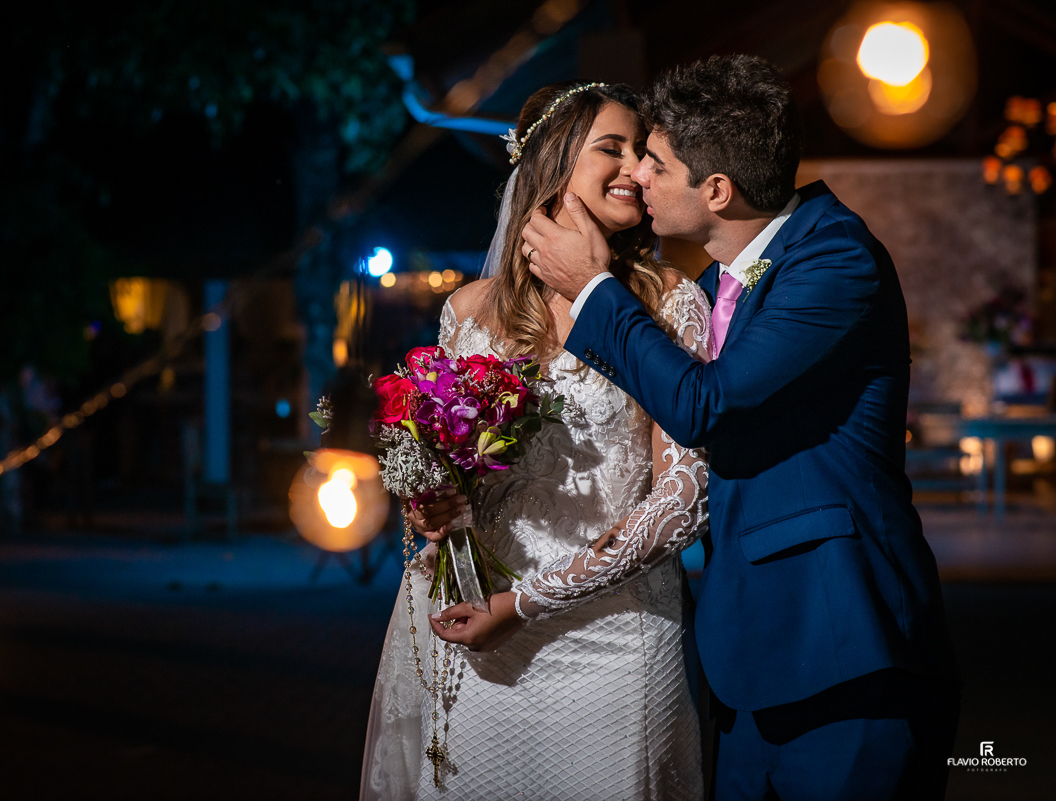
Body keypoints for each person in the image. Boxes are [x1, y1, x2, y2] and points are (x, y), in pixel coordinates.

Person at [516, 56, 960, 800]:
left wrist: (590, 286)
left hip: (843, 649)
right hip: (746, 660)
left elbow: (704, 404)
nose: (638, 178)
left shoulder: (833, 257)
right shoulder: (716, 281)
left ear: (716, 191)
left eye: (654, 162)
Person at [360, 81, 713, 801]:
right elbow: (451, 477)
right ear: (552, 163)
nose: (635, 170)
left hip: (616, 643)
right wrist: (430, 509)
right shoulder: (468, 310)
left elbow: (682, 503)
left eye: (642, 154)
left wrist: (528, 601)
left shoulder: (671, 301)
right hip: (481, 635)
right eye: (610, 149)